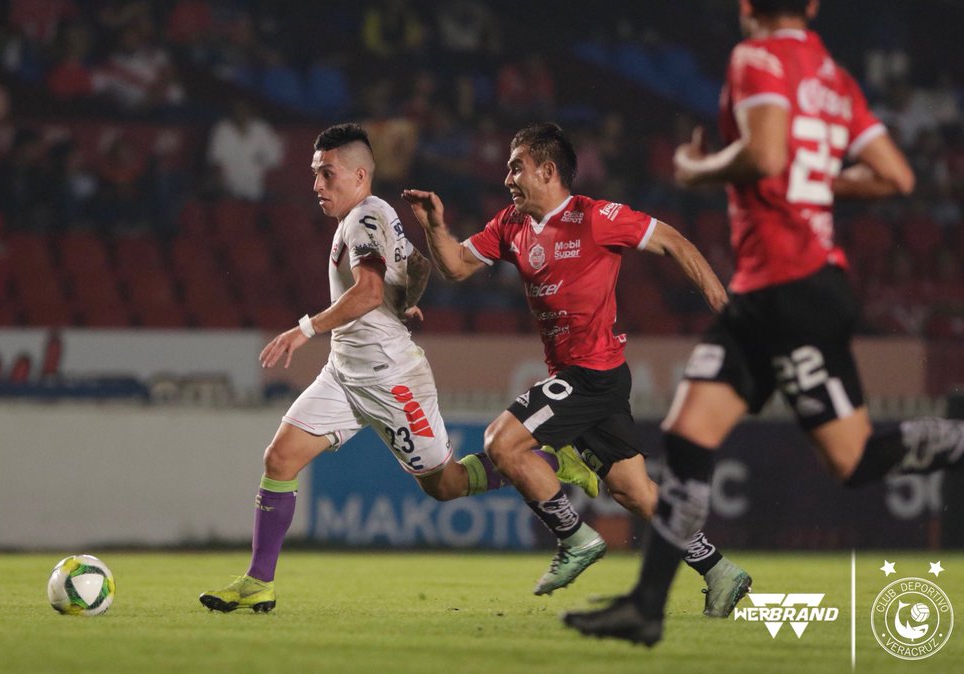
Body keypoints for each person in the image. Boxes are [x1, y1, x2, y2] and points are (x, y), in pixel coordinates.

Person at [564, 0, 964, 646]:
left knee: (850, 456)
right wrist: (815, 181)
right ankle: (645, 606)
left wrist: (700, 169)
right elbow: (896, 175)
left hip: (787, 286)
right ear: (811, 7)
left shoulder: (755, 58)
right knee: (692, 437)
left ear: (747, 8)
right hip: (783, 291)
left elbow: (766, 153)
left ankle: (645, 604)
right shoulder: (834, 78)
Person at [199, 123, 592, 614]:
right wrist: (404, 302)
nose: (317, 185)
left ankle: (557, 459)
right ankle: (260, 582)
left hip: (391, 380)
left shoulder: (367, 217)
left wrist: (303, 328)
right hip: (344, 373)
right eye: (314, 174)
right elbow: (418, 269)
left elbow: (365, 291)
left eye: (327, 174)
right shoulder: (369, 218)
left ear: (360, 174)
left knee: (445, 485)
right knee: (279, 460)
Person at [401, 121, 751, 616]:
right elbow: (456, 266)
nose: (507, 178)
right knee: (634, 491)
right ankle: (719, 570)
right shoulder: (511, 225)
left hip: (594, 375)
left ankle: (574, 537)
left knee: (502, 441)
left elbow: (673, 240)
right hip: (580, 377)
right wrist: (434, 226)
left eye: (515, 167)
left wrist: (723, 306)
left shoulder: (597, 216)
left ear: (547, 170)